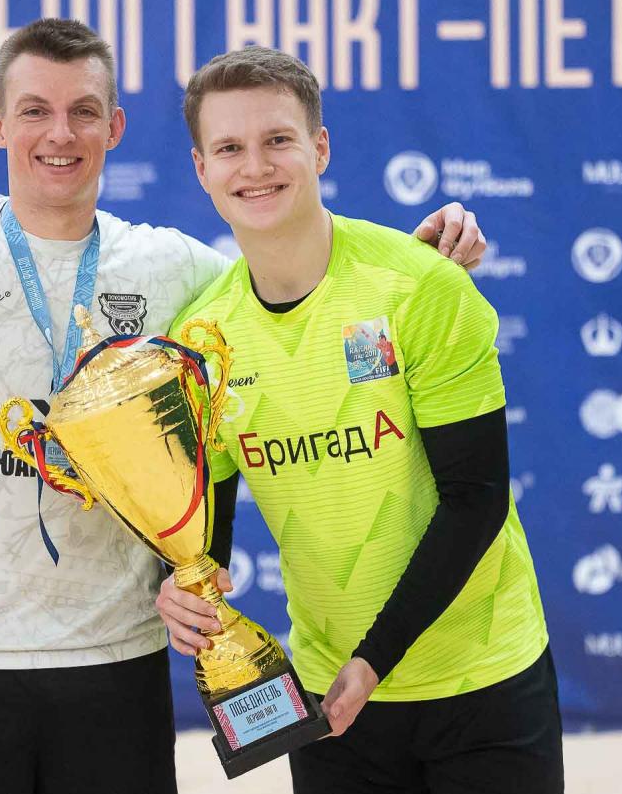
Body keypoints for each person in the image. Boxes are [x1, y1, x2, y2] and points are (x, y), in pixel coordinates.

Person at [0, 19, 487, 794]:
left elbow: (293, 296)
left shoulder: (174, 269)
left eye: (84, 111)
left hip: (116, 667)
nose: (60, 134)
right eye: (35, 110)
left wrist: (418, 262)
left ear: (116, 127)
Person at [158, 46, 561, 793]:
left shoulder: (420, 287)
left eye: (278, 139)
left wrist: (374, 660)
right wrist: (182, 585)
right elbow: (204, 528)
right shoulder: (201, 340)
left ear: (320, 147)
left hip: (480, 677)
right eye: (230, 148)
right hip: (332, 695)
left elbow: (475, 499)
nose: (256, 166)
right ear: (201, 168)